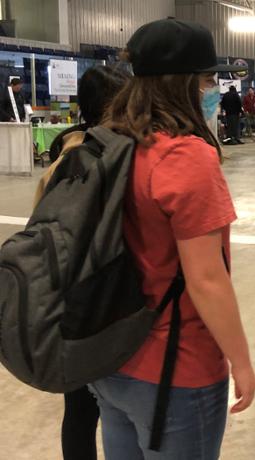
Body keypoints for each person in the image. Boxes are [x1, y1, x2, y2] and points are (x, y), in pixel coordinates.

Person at [91, 18, 255, 459]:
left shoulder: (108, 142)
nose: (211, 89)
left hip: (108, 356)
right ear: (184, 83)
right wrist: (240, 361)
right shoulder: (186, 156)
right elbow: (206, 279)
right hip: (175, 368)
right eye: (206, 79)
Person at [33, 64, 130, 460]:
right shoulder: (87, 158)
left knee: (83, 408)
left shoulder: (73, 148)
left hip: (72, 297)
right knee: (92, 407)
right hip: (90, 300)